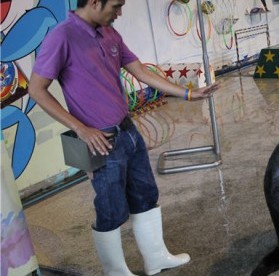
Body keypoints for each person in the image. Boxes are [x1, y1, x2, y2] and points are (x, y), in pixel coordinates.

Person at [28, 0, 219, 275]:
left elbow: (140, 71)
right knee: (110, 207)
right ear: (94, 2)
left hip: (128, 131)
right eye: (116, 6)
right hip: (100, 141)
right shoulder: (62, 36)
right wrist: (81, 129)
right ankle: (115, 271)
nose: (119, 13)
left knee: (145, 194)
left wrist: (188, 93)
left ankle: (156, 258)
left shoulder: (109, 32)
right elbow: (37, 89)